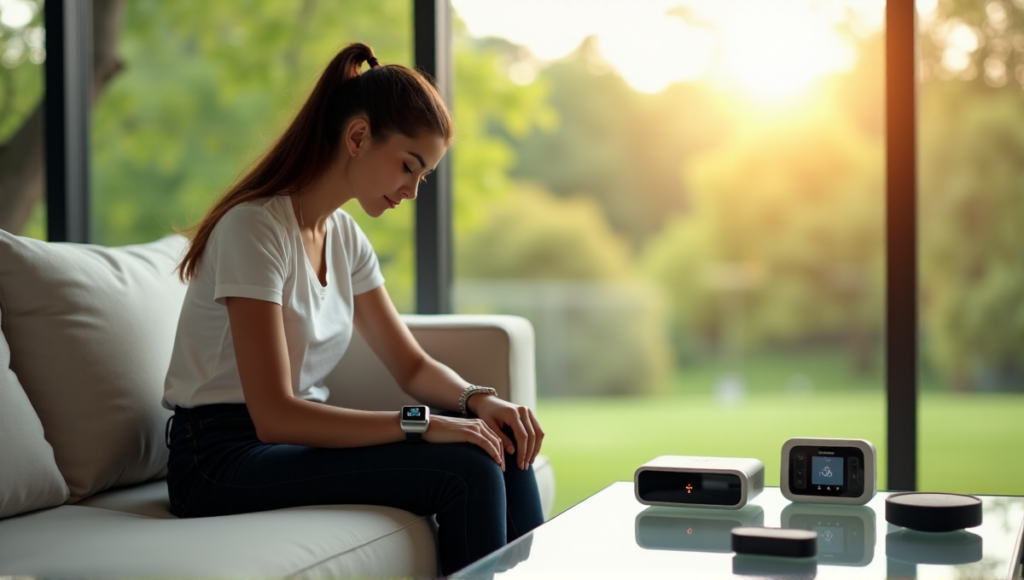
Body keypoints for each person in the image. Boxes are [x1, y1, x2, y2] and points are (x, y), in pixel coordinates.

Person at [162, 42, 545, 577]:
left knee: (499, 441)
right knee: (467, 470)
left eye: (424, 176)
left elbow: (410, 366)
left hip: (286, 442)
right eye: (408, 167)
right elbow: (273, 416)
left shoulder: (344, 237)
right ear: (358, 136)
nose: (412, 190)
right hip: (218, 458)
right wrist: (421, 424)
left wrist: (478, 400)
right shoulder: (254, 230)